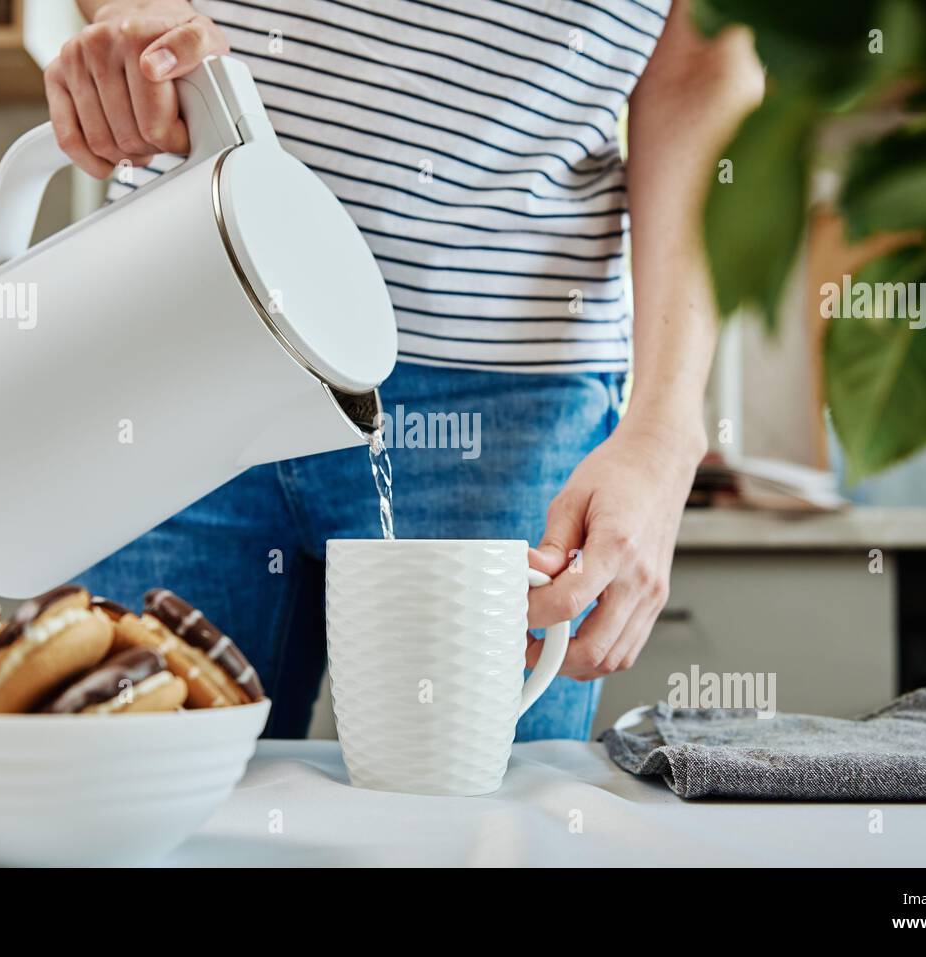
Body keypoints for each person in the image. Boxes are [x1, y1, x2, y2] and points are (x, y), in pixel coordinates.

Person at [50, 0, 762, 738]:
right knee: (134, 814)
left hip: (505, 392)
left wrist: (665, 432)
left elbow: (703, 66)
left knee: (479, 833)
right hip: (181, 322)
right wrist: (132, 19)